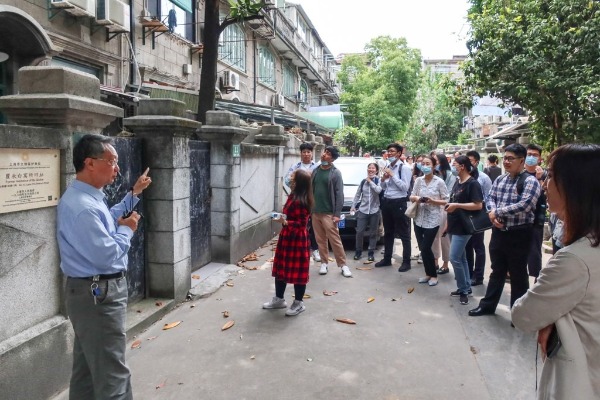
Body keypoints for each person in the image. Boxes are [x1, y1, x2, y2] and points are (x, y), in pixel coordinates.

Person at [57, 134, 151, 400]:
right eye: (111, 161)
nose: (117, 168)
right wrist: (128, 229)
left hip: (89, 293)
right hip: (99, 294)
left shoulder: (86, 198)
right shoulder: (84, 207)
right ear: (90, 163)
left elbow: (108, 220)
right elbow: (107, 255)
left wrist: (134, 194)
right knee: (113, 375)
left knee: (87, 370)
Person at [512, 144, 600, 399]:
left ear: (574, 187)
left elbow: (524, 315)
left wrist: (551, 317)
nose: (544, 184)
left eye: (550, 176)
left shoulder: (573, 260)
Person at [469, 144, 541, 318]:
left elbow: (525, 205)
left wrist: (497, 212)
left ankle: (518, 314)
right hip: (499, 232)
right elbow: (490, 198)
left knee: (518, 274)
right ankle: (487, 306)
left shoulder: (530, 181)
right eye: (505, 158)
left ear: (522, 161)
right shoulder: (501, 179)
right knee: (497, 270)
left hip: (519, 234)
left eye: (511, 159)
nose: (506, 162)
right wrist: (492, 215)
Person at [263, 169, 314, 316]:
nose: (290, 178)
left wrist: (285, 222)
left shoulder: (302, 200)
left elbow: (301, 224)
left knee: (298, 272)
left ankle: (299, 303)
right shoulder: (293, 195)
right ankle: (279, 299)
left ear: (299, 182)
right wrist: (283, 218)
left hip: (297, 241)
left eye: (293, 177)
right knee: (281, 268)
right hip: (287, 237)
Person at [445, 156, 484, 305]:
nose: (452, 167)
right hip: (453, 224)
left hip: (464, 226)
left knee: (454, 258)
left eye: (454, 164)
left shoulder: (472, 184)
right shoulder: (458, 181)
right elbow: (452, 201)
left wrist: (457, 206)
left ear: (462, 166)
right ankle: (466, 287)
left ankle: (463, 290)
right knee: (461, 258)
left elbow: (478, 205)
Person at [311, 146, 352, 278]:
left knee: (335, 240)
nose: (324, 155)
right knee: (320, 240)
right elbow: (311, 190)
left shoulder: (335, 173)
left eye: (328, 154)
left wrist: (337, 214)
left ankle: (343, 265)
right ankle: (324, 263)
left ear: (332, 159)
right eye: (325, 152)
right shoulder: (316, 170)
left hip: (329, 212)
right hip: (316, 212)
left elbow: (339, 194)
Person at [409, 155, 449, 286]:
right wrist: (417, 198)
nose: (425, 166)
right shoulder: (418, 180)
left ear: (434, 166)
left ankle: (434, 275)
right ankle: (428, 274)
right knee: (423, 248)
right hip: (418, 218)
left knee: (427, 247)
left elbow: (446, 200)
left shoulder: (439, 182)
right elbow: (411, 196)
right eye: (423, 164)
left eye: (428, 164)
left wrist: (433, 201)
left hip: (433, 219)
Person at [375, 143, 413, 271]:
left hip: (399, 202)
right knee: (388, 232)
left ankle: (406, 262)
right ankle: (387, 258)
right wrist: (383, 179)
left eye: (392, 151)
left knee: (403, 233)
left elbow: (405, 187)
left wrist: (393, 175)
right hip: (387, 201)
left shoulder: (404, 168)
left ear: (399, 153)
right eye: (388, 151)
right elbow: (384, 187)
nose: (389, 153)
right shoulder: (388, 166)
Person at [284, 142, 320, 262]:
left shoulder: (316, 167)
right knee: (299, 224)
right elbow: (287, 180)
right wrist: (296, 182)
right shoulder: (295, 167)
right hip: (298, 199)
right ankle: (299, 249)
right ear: (301, 153)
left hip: (311, 199)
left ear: (312, 153)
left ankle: (315, 250)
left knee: (313, 226)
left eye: (308, 152)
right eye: (304, 152)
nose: (306, 154)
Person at [465, 150, 493, 286]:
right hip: (464, 215)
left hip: (477, 216)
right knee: (467, 246)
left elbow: (489, 197)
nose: (468, 163)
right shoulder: (463, 176)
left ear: (476, 162)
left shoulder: (483, 178)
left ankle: (479, 276)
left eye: (470, 161)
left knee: (478, 247)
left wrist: (486, 214)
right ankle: (468, 273)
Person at [524, 143, 548, 280]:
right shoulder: (520, 174)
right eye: (529, 154)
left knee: (534, 252)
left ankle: (536, 279)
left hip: (536, 219)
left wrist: (539, 179)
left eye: (535, 155)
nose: (531, 157)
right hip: (520, 219)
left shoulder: (545, 175)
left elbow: (545, 197)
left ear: (540, 158)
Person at [350, 162, 382, 261]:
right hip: (363, 210)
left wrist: (370, 182)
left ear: (376, 170)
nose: (371, 170)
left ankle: (371, 252)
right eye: (369, 168)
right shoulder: (363, 181)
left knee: (373, 233)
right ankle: (358, 251)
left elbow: (378, 190)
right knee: (359, 232)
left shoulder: (378, 180)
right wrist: (353, 206)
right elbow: (358, 194)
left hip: (374, 210)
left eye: (373, 168)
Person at [433, 153, 455, 275]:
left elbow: (449, 194)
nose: (434, 163)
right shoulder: (432, 174)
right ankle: (435, 261)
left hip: (445, 209)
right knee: (433, 237)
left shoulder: (450, 175)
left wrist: (436, 198)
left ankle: (446, 264)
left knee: (444, 237)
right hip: (432, 208)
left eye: (436, 160)